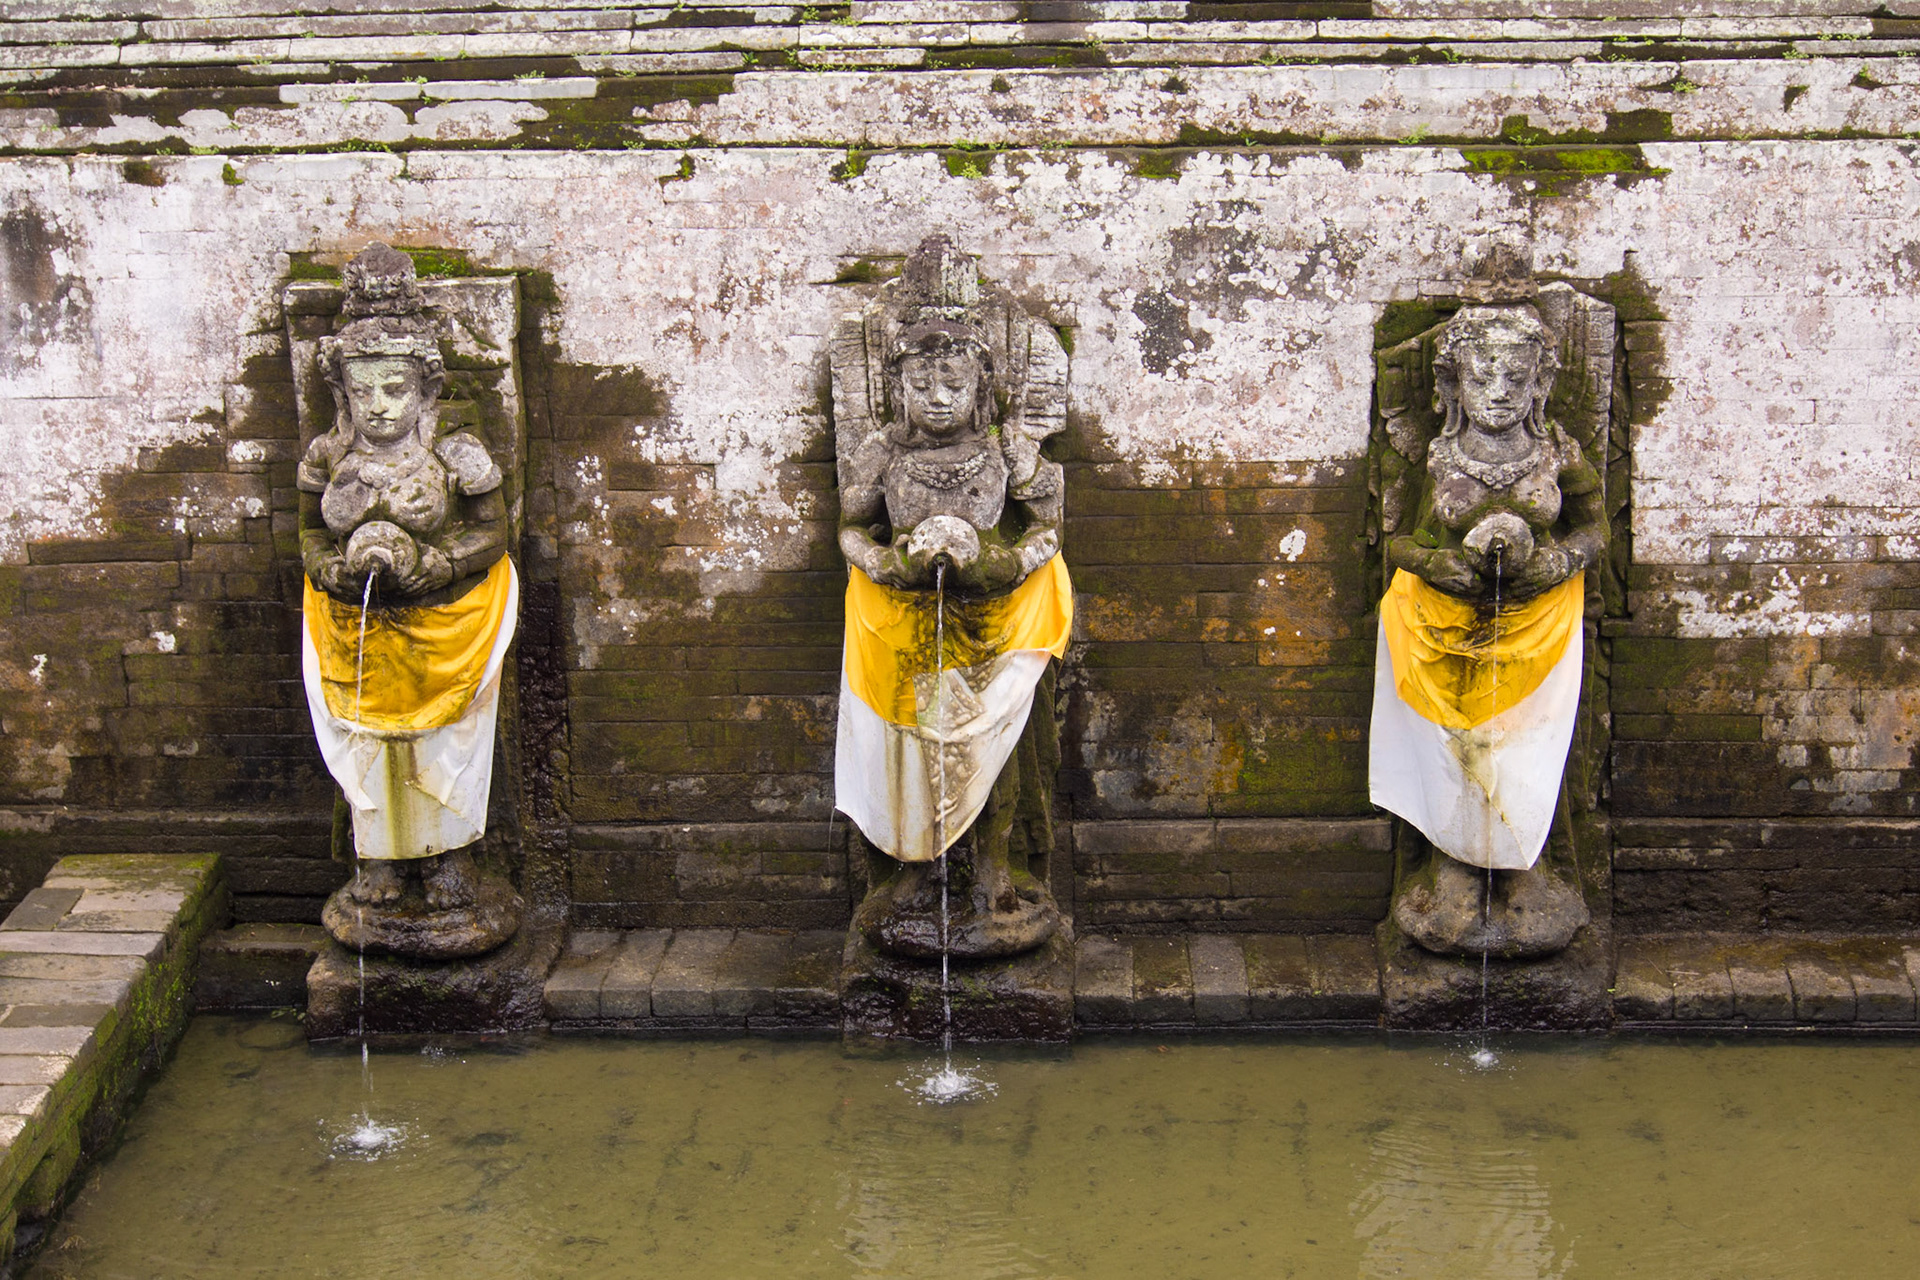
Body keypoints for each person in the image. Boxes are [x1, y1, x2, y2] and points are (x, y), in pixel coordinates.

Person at [833, 237, 1073, 959]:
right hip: (911, 626)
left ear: (982, 389)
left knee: (987, 754)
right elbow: (849, 529)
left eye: (953, 387)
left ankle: (993, 870)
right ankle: (918, 871)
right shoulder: (882, 453)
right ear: (897, 389)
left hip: (991, 624)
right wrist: (881, 561)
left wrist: (1006, 559)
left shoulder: (1008, 452)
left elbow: (1050, 531)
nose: (936, 400)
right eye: (921, 387)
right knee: (917, 753)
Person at [297, 244, 519, 943]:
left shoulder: (458, 452)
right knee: (363, 740)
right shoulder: (329, 456)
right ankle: (380, 863)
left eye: (394, 390)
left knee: (445, 744)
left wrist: (442, 561)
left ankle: (450, 857)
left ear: (426, 393)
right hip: (354, 625)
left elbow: (496, 530)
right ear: (342, 395)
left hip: (443, 622)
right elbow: (306, 531)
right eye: (362, 393)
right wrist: (325, 564)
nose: (379, 406)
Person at [1370, 302, 1605, 957]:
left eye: (1515, 377)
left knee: (1523, 746)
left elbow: (1595, 527)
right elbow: (1395, 543)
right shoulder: (1438, 456)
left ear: (1539, 384)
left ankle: (1524, 860)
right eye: (1482, 377)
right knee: (1455, 747)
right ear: (1453, 386)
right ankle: (1453, 861)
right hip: (1443, 625)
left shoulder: (1556, 449)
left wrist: (1561, 558)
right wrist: (1436, 563)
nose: (1499, 392)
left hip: (1538, 624)